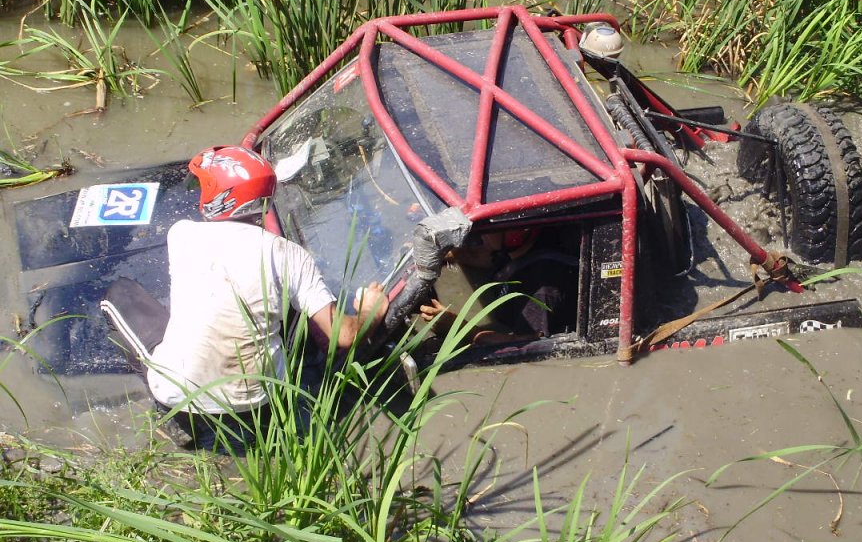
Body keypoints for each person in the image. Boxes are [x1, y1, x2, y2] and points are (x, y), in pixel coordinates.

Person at [138, 145, 387, 448]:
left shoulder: (181, 234)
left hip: (178, 395)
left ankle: (170, 419)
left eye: (202, 185)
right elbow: (343, 336)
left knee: (120, 297)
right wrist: (371, 312)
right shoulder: (289, 256)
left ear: (216, 196)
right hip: (257, 403)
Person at [418, 227, 578, 346]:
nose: (476, 229)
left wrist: (459, 329)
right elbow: (487, 256)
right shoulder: (522, 247)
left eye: (487, 225)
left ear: (515, 233)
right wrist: (440, 255)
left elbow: (529, 348)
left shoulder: (541, 292)